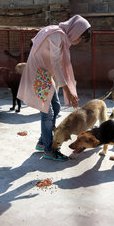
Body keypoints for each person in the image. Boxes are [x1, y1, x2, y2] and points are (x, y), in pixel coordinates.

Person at [17, 15, 91, 161]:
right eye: (80, 37)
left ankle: (42, 142)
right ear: (75, 30)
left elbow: (57, 65)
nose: (78, 40)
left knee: (56, 107)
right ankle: (48, 150)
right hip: (38, 73)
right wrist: (67, 90)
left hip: (44, 73)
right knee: (47, 112)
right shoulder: (56, 35)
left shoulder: (58, 34)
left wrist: (69, 87)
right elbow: (56, 64)